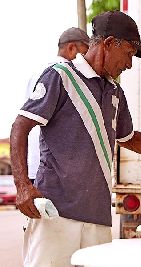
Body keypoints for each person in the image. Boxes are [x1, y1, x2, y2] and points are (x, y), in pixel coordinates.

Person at [10, 11, 141, 266]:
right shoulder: (60, 77)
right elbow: (20, 127)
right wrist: (22, 185)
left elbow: (129, 138)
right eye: (130, 54)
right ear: (109, 43)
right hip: (56, 215)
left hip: (97, 218)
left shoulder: (114, 91)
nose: (130, 64)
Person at [25, 27, 90, 185]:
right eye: (85, 51)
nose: (88, 58)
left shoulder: (38, 72)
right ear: (71, 48)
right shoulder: (67, 74)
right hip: (56, 170)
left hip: (36, 164)